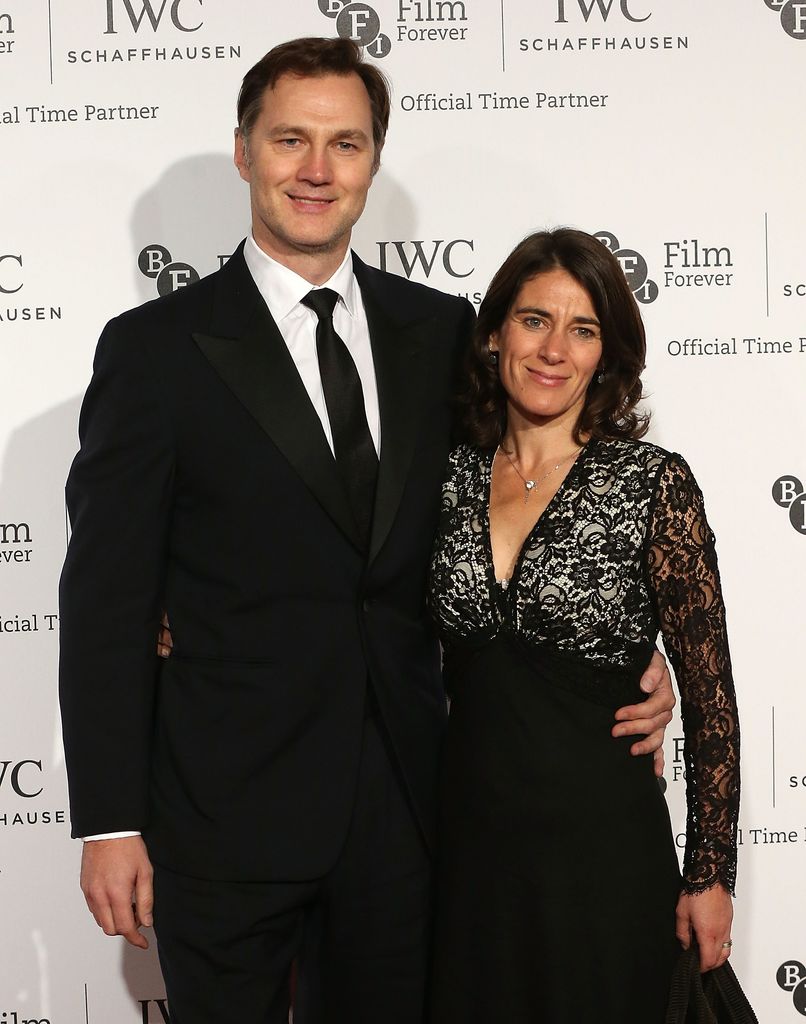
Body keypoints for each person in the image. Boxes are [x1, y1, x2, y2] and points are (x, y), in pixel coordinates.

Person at [58, 39, 675, 1024]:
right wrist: (110, 820)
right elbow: (104, 603)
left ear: (372, 164)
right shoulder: (154, 353)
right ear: (243, 152)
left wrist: (629, 657)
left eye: (343, 144)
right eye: (290, 139)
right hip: (221, 812)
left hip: (406, 814)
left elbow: (521, 508)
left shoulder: (438, 333)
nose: (316, 168)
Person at [427, 227, 740, 1023]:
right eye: (535, 320)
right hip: (469, 856)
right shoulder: (444, 473)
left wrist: (710, 874)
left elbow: (709, 699)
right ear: (495, 331)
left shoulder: (650, 485)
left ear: (609, 353)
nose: (554, 349)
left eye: (584, 328)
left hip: (605, 855)